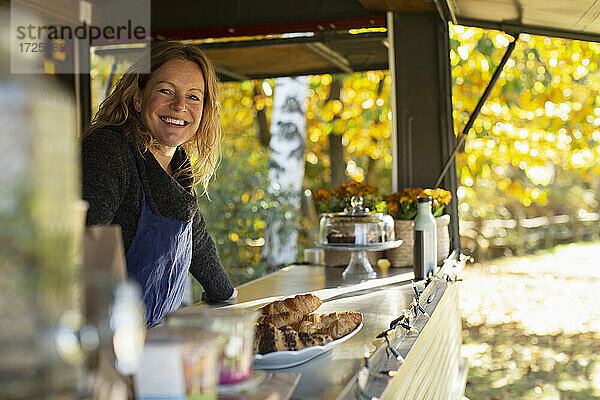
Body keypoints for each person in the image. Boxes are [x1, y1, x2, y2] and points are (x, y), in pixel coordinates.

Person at [82, 41, 237, 327]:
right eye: (166, 90)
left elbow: (196, 238)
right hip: (102, 339)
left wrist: (228, 297)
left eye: (193, 97)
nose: (180, 106)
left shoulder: (178, 163)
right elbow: (84, 243)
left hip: (152, 336)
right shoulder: (108, 149)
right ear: (138, 97)